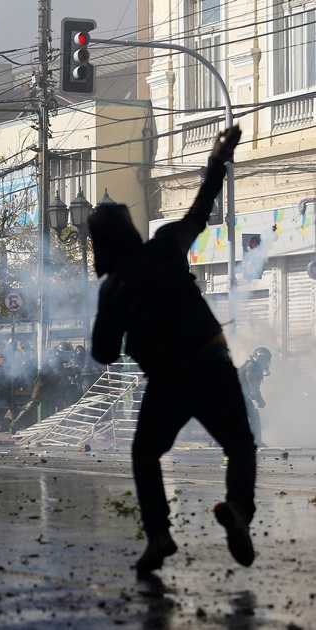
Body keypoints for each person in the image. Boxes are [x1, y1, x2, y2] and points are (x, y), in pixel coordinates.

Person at [89, 125, 256, 575]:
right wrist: (218, 158)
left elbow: (102, 353)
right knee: (239, 443)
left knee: (146, 454)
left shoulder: (112, 289)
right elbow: (202, 210)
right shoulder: (164, 248)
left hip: (167, 380)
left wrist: (124, 325)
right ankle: (239, 509)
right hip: (210, 361)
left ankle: (159, 535)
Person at [238, 347, 271, 447]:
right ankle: (256, 441)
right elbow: (254, 389)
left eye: (266, 359)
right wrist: (261, 401)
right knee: (254, 416)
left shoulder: (255, 367)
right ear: (256, 357)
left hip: (238, 394)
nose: (264, 362)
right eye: (262, 359)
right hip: (236, 394)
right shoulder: (250, 368)